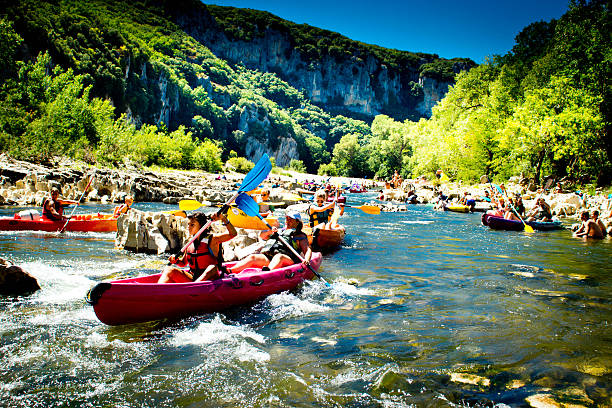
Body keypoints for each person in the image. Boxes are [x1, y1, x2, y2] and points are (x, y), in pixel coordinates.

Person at [158, 211, 237, 283]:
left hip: (213, 278)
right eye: (188, 224)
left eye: (192, 225)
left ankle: (194, 287)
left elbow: (233, 234)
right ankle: (158, 290)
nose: (189, 227)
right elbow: (184, 263)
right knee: (169, 269)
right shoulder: (190, 242)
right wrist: (176, 261)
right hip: (194, 277)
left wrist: (223, 219)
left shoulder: (212, 239)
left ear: (202, 226)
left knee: (212, 268)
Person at [228, 211, 312, 273]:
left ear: (297, 222)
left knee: (279, 257)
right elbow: (262, 236)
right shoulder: (280, 231)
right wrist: (270, 232)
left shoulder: (300, 236)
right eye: (287, 219)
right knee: (253, 257)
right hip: (271, 257)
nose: (287, 221)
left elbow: (307, 250)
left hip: (288, 260)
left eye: (291, 219)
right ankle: (230, 271)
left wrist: (307, 259)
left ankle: (266, 273)